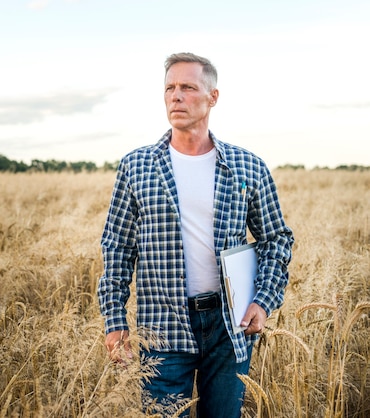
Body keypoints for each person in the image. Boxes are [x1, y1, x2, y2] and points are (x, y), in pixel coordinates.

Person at [97, 52, 294, 417]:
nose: (176, 96)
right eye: (170, 88)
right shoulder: (136, 166)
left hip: (228, 326)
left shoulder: (247, 166)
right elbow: (117, 247)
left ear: (212, 97)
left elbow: (276, 239)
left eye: (188, 87)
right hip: (162, 326)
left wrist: (263, 301)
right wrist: (114, 321)